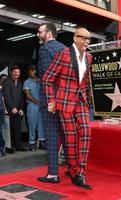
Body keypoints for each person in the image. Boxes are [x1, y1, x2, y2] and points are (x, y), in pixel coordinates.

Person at [42, 27, 93, 189]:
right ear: (75, 38)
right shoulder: (63, 54)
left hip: (81, 102)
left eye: (89, 39)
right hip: (64, 102)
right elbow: (47, 79)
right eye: (83, 38)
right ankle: (73, 171)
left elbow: (84, 82)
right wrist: (51, 100)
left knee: (86, 131)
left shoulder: (89, 57)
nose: (86, 41)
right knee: (70, 139)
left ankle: (81, 172)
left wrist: (87, 98)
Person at [36, 23, 66, 183]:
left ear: (48, 33)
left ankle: (53, 174)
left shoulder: (45, 50)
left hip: (51, 100)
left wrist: (50, 101)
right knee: (66, 135)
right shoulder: (65, 49)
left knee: (52, 136)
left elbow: (47, 78)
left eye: (40, 32)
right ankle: (74, 170)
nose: (37, 34)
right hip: (65, 100)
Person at [2, 65, 27, 152]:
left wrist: (21, 108)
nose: (16, 73)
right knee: (9, 130)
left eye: (18, 72)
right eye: (15, 72)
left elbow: (21, 97)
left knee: (17, 128)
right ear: (11, 72)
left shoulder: (20, 83)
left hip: (17, 110)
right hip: (8, 110)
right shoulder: (6, 81)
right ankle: (9, 147)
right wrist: (12, 107)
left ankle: (18, 146)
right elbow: (7, 96)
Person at [23, 66, 45, 151]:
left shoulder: (40, 81)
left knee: (41, 124)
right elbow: (28, 96)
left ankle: (42, 142)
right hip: (32, 106)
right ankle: (31, 143)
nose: (31, 72)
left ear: (36, 71)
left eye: (33, 70)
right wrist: (38, 103)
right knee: (32, 125)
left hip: (42, 106)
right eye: (30, 71)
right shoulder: (26, 82)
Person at [0, 77, 6, 156]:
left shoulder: (1, 89)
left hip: (0, 110)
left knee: (0, 130)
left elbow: (3, 99)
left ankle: (2, 147)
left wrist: (5, 110)